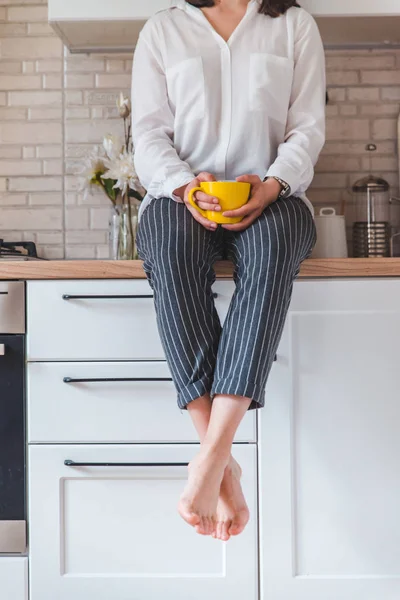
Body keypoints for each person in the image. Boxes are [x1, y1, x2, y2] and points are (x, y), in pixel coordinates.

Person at [131, 0, 326, 542]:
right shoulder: (163, 29)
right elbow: (147, 134)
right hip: (181, 195)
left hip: (274, 193)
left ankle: (210, 459)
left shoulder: (294, 26)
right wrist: (182, 187)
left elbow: (307, 127)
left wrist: (271, 185)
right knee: (169, 249)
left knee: (272, 251)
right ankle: (220, 461)